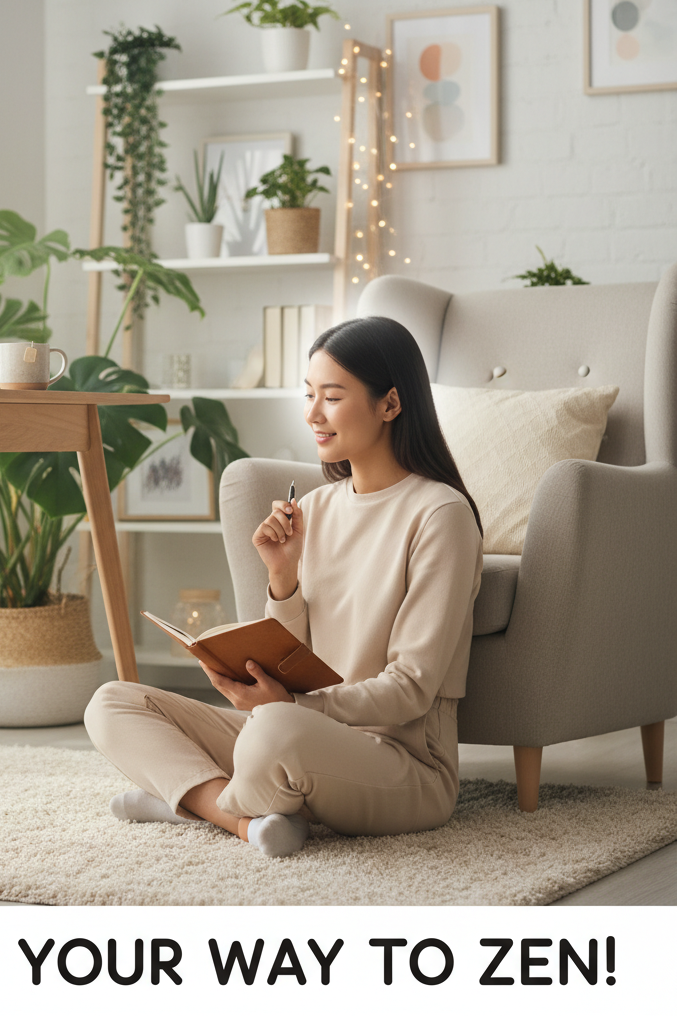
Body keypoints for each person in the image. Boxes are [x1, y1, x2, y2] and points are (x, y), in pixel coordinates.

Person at [84, 316, 484, 858]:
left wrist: (295, 706)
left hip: (402, 764)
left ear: (390, 404)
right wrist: (282, 576)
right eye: (309, 394)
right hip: (296, 727)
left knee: (274, 733)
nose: (313, 414)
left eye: (333, 397)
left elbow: (411, 689)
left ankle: (188, 800)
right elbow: (296, 660)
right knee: (112, 702)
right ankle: (247, 821)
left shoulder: (441, 514)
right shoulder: (315, 508)